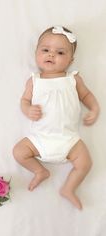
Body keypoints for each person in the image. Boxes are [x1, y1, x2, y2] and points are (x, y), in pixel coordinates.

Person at [13, 26, 100, 210]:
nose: (51, 55)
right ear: (36, 53)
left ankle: (69, 188)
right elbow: (24, 100)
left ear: (71, 60)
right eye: (45, 50)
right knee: (19, 152)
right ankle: (39, 171)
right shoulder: (34, 81)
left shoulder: (73, 80)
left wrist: (94, 108)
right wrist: (28, 109)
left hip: (69, 140)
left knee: (85, 163)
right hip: (40, 138)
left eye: (60, 52)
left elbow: (86, 96)